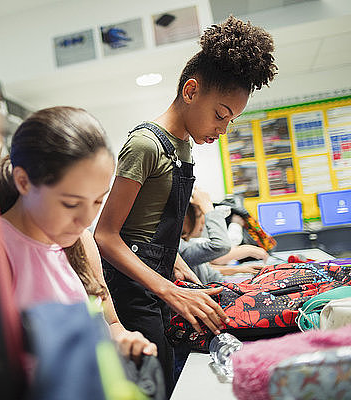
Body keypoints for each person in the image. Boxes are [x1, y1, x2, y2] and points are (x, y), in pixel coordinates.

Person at [94, 16, 277, 394]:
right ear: (191, 91)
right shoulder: (145, 144)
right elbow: (107, 236)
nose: (223, 129)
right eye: (221, 115)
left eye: (232, 120)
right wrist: (168, 290)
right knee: (155, 384)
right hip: (132, 292)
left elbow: (153, 228)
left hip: (159, 282)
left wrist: (181, 273)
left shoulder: (184, 147)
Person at [0, 106, 157, 363]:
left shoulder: (81, 240)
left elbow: (110, 322)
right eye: (71, 203)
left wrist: (124, 339)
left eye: (97, 201)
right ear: (24, 182)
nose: (86, 219)